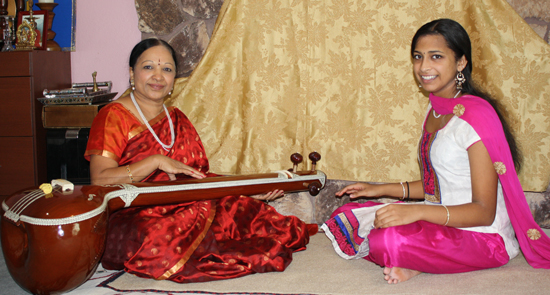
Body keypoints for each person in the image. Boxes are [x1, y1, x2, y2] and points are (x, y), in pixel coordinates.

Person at [322, 18, 550, 284]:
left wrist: (416, 212)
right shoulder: (436, 109)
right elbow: (439, 185)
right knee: (346, 218)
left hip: (482, 235)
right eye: (418, 57)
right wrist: (380, 189)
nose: (423, 67)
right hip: (442, 218)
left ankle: (419, 263)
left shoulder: (476, 118)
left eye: (436, 56)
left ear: (461, 62)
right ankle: (421, 260)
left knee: (387, 240)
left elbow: (484, 211)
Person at [85, 38, 316, 283]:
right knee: (162, 239)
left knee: (254, 215)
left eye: (167, 69)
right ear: (132, 73)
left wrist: (246, 193)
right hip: (134, 214)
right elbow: (100, 179)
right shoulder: (112, 116)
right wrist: (155, 161)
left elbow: (197, 177)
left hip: (187, 201)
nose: (158, 76)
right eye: (148, 67)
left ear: (174, 79)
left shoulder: (176, 118)